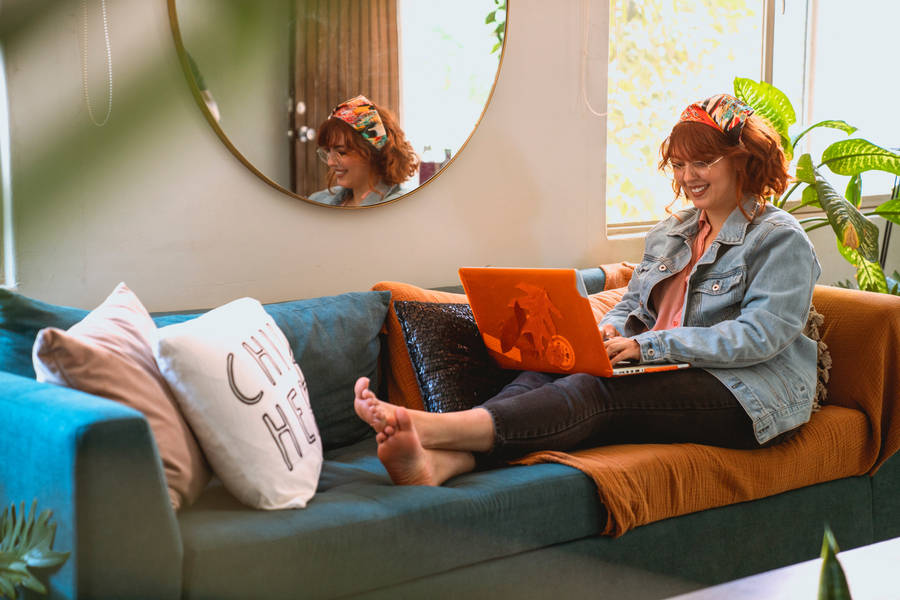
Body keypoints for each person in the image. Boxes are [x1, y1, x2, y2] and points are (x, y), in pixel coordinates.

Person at [353, 93, 821, 486]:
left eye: (702, 162)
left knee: (595, 391)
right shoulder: (671, 233)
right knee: (546, 373)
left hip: (745, 393)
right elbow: (635, 305)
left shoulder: (778, 238)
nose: (687, 177)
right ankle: (444, 461)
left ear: (744, 160)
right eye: (679, 164)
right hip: (666, 363)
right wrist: (602, 335)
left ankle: (433, 428)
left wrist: (645, 346)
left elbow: (759, 336)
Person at [308, 95, 419, 207]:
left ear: (374, 152)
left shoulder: (402, 207)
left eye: (341, 152)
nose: (330, 162)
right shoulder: (318, 200)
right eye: (327, 151)